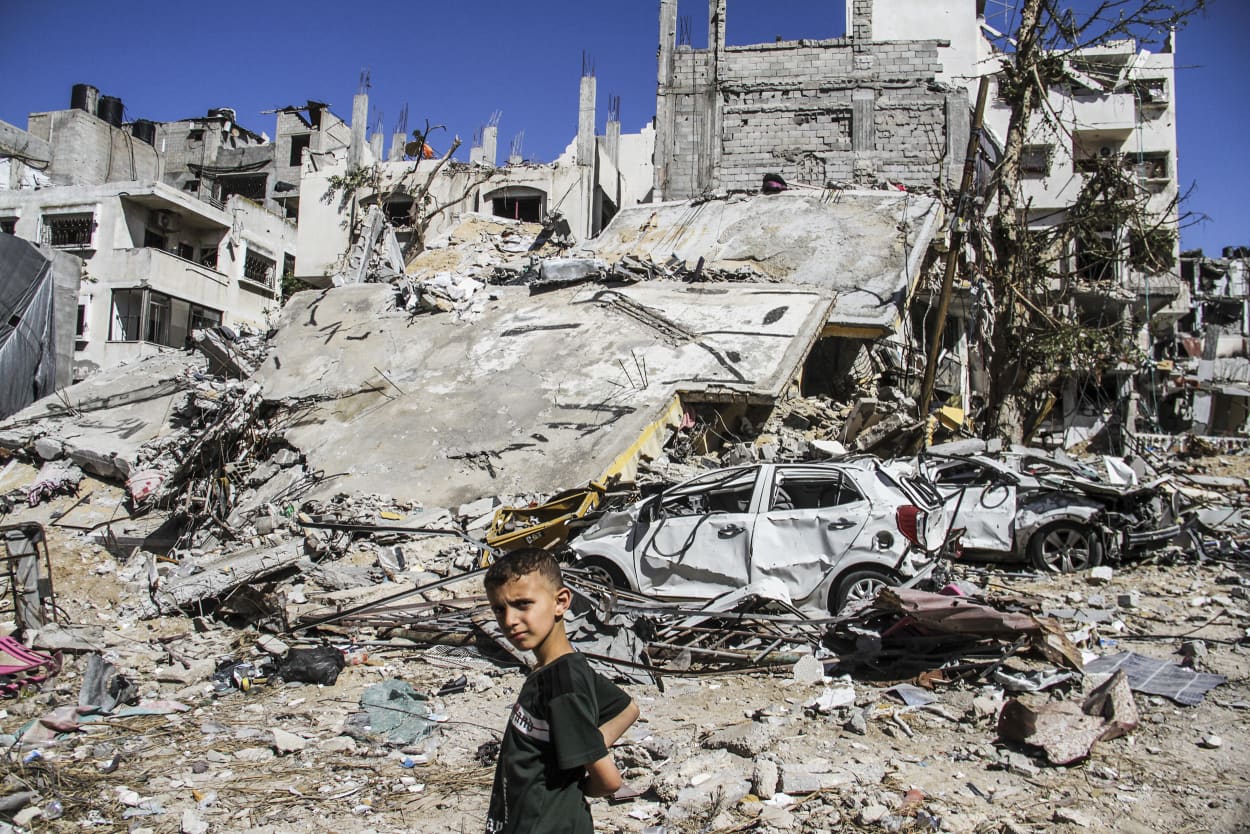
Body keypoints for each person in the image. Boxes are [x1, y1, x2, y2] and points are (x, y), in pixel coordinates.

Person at [484, 549, 640, 834]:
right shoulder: (564, 667)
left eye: (523, 604)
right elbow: (627, 708)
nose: (509, 620)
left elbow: (609, 781)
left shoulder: (562, 685)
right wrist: (584, 745)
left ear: (561, 602)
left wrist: (571, 786)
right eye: (499, 608)